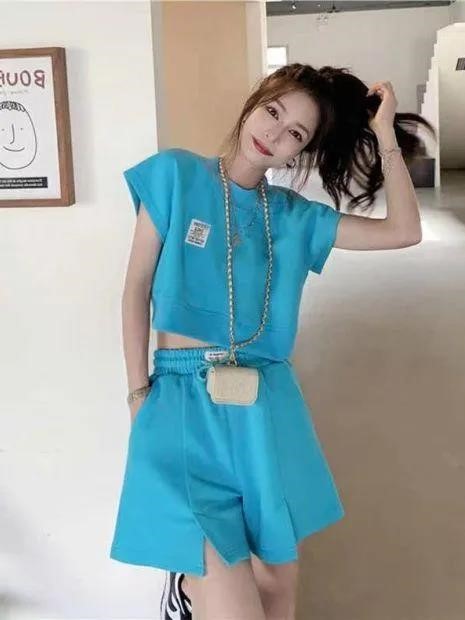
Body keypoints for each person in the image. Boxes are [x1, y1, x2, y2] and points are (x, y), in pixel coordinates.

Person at [109, 63, 434, 620]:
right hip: (183, 405)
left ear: (301, 152)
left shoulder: (292, 217)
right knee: (232, 596)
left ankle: (186, 597)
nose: (274, 134)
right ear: (256, 99)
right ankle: (184, 590)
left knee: (277, 592)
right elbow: (135, 289)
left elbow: (404, 231)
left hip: (264, 408)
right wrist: (138, 393)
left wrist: (384, 134)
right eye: (273, 112)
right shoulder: (174, 177)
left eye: (295, 134)